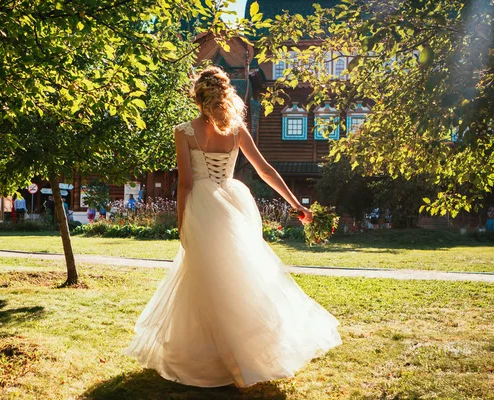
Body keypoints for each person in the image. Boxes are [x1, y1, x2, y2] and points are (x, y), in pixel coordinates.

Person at [124, 66, 341, 388]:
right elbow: (265, 170)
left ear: (196, 98)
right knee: (241, 274)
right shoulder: (236, 129)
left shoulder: (183, 131)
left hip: (202, 206)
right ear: (225, 94)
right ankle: (240, 354)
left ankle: (218, 357)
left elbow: (185, 184)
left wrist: (183, 225)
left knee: (204, 279)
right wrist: (296, 204)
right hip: (233, 202)